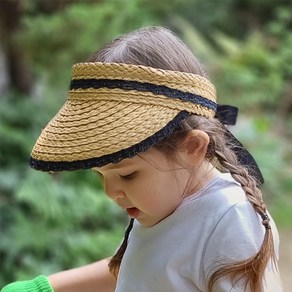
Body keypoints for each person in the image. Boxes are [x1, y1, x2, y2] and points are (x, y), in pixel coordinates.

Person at [1, 26, 282, 292]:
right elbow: (143, 268)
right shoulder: (165, 200)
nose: (110, 192)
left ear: (193, 147)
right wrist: (48, 287)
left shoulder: (230, 219)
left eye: (127, 175)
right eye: (100, 174)